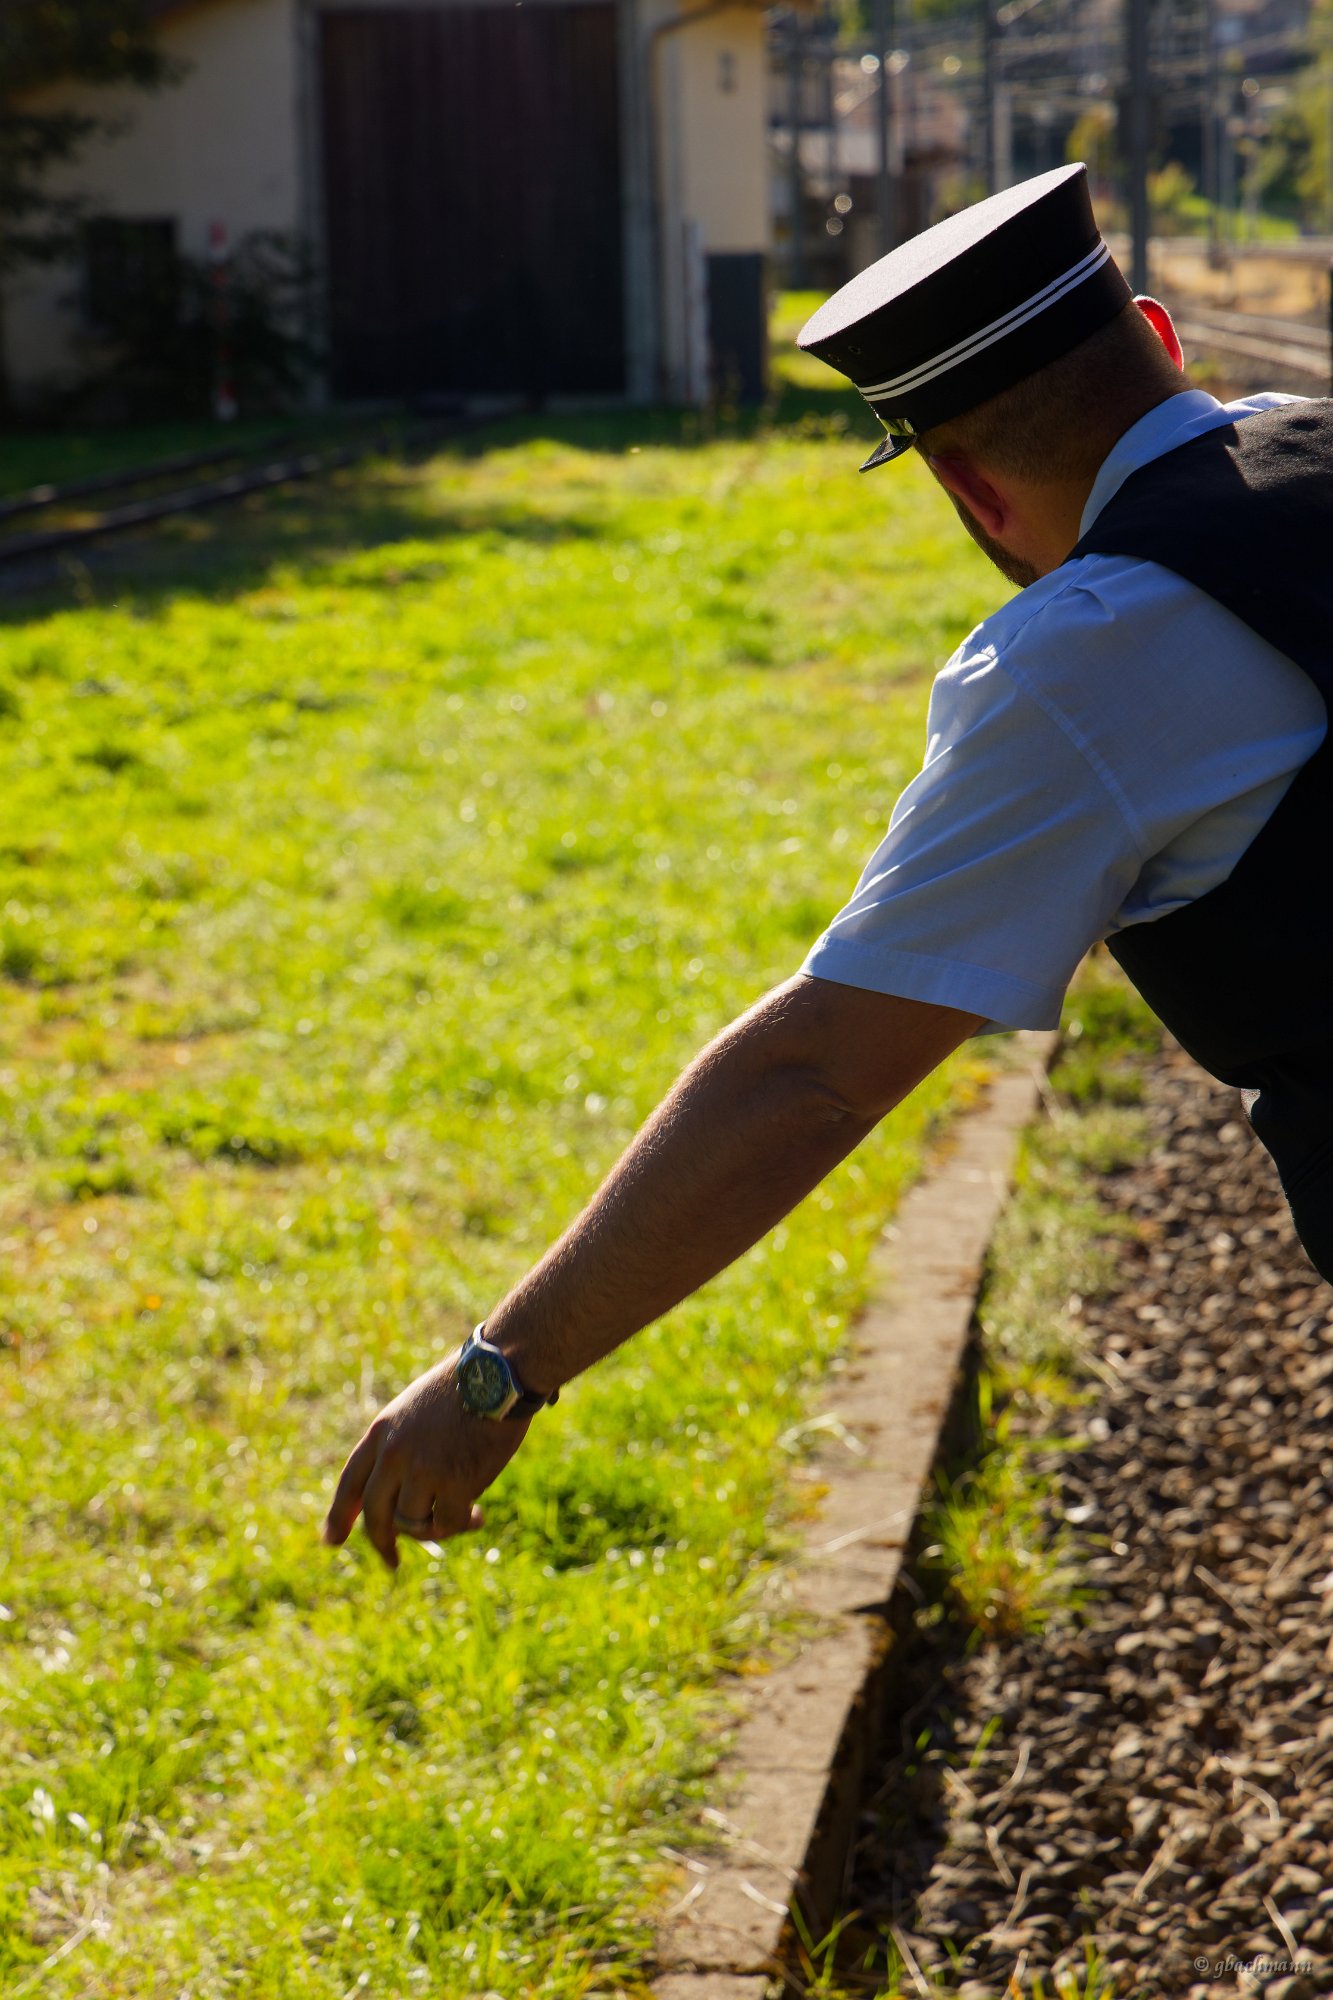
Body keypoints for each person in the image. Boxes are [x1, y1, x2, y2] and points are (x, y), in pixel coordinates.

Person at [324, 164, 1331, 1570]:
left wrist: (499, 1371)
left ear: (967, 487)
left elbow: (813, 1074)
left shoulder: (1090, 654)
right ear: (1160, 337)